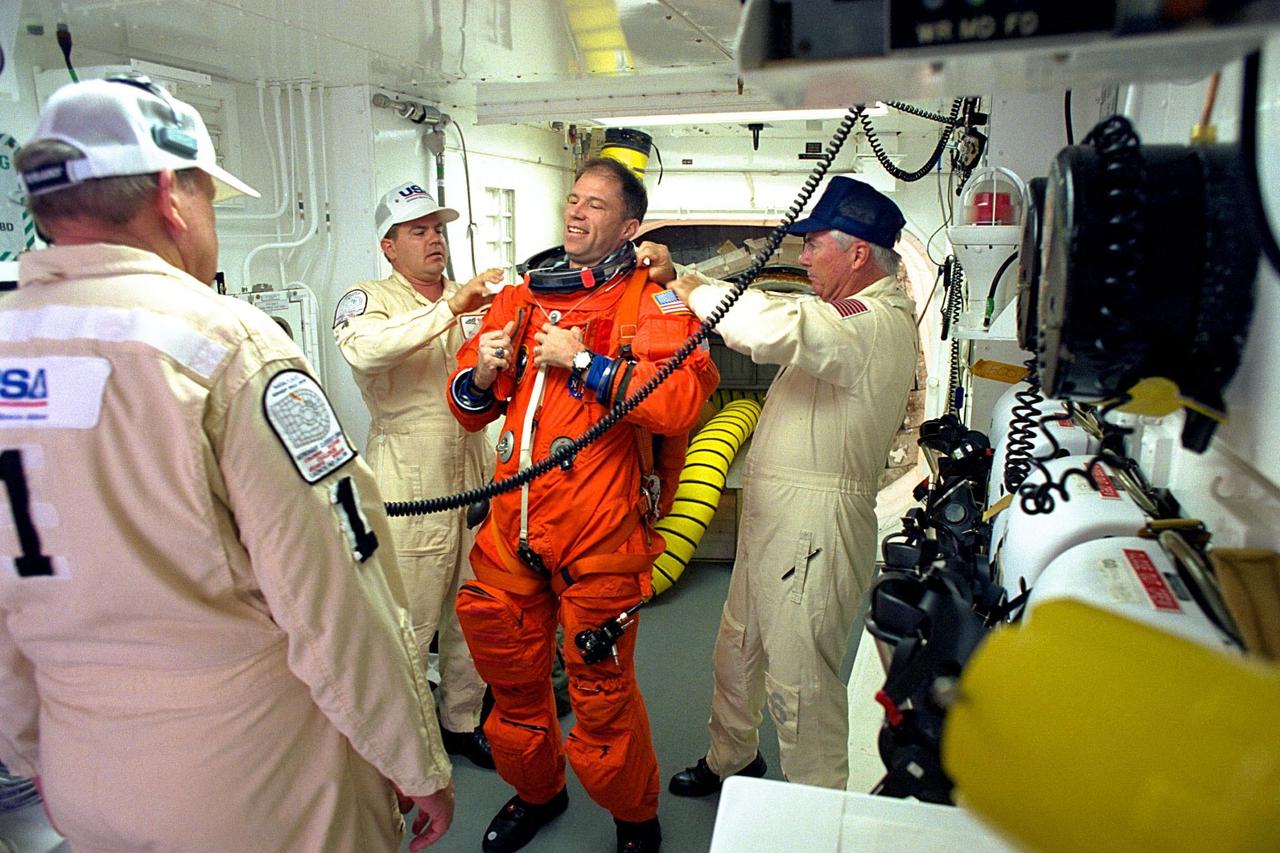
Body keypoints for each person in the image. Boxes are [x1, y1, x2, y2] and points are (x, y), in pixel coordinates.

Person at [0, 77, 455, 851]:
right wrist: (411, 756)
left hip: (83, 782)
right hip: (256, 787)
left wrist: (30, 749)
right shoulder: (227, 349)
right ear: (174, 196)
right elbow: (335, 594)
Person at [446, 157, 719, 853]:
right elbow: (469, 407)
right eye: (573, 199)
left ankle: (635, 818)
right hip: (516, 525)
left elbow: (680, 401)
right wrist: (480, 372)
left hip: (598, 530)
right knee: (511, 679)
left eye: (595, 205)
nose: (576, 212)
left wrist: (586, 363)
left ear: (628, 226)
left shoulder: (648, 301)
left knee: (600, 695)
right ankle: (537, 791)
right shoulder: (523, 298)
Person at [659, 176, 918, 793]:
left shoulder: (871, 322)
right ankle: (731, 759)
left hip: (815, 526)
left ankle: (813, 813)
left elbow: (770, 329)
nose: (802, 258)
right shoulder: (843, 317)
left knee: (800, 686)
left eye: (814, 245)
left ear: (857, 253)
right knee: (737, 650)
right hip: (776, 518)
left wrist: (689, 284)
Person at [334, 181, 502, 768]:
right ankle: (401, 739)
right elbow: (366, 351)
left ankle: (460, 720)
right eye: (418, 231)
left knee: (471, 613)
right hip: (409, 475)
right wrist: (448, 312)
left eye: (438, 229)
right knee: (409, 620)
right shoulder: (367, 299)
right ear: (389, 245)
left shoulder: (469, 295)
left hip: (474, 468)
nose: (434, 240)